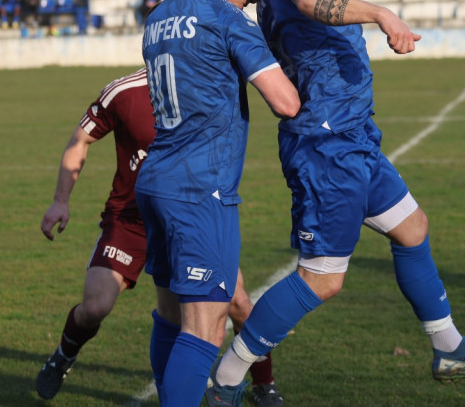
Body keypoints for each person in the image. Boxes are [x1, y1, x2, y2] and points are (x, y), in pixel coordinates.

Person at [206, 0, 465, 405]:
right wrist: (381, 13)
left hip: (350, 138)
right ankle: (229, 377)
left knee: (412, 227)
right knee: (322, 280)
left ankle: (450, 349)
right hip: (329, 149)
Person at [35, 68, 287, 406]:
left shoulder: (205, 82)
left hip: (188, 219)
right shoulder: (123, 92)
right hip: (130, 221)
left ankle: (264, 384)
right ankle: (65, 353)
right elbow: (80, 139)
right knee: (94, 307)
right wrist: (60, 201)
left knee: (239, 303)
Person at [136, 0, 300, 407]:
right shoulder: (225, 18)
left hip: (157, 180)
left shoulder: (158, 14)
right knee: (205, 330)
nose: (252, 0)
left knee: (169, 317)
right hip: (200, 187)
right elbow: (285, 102)